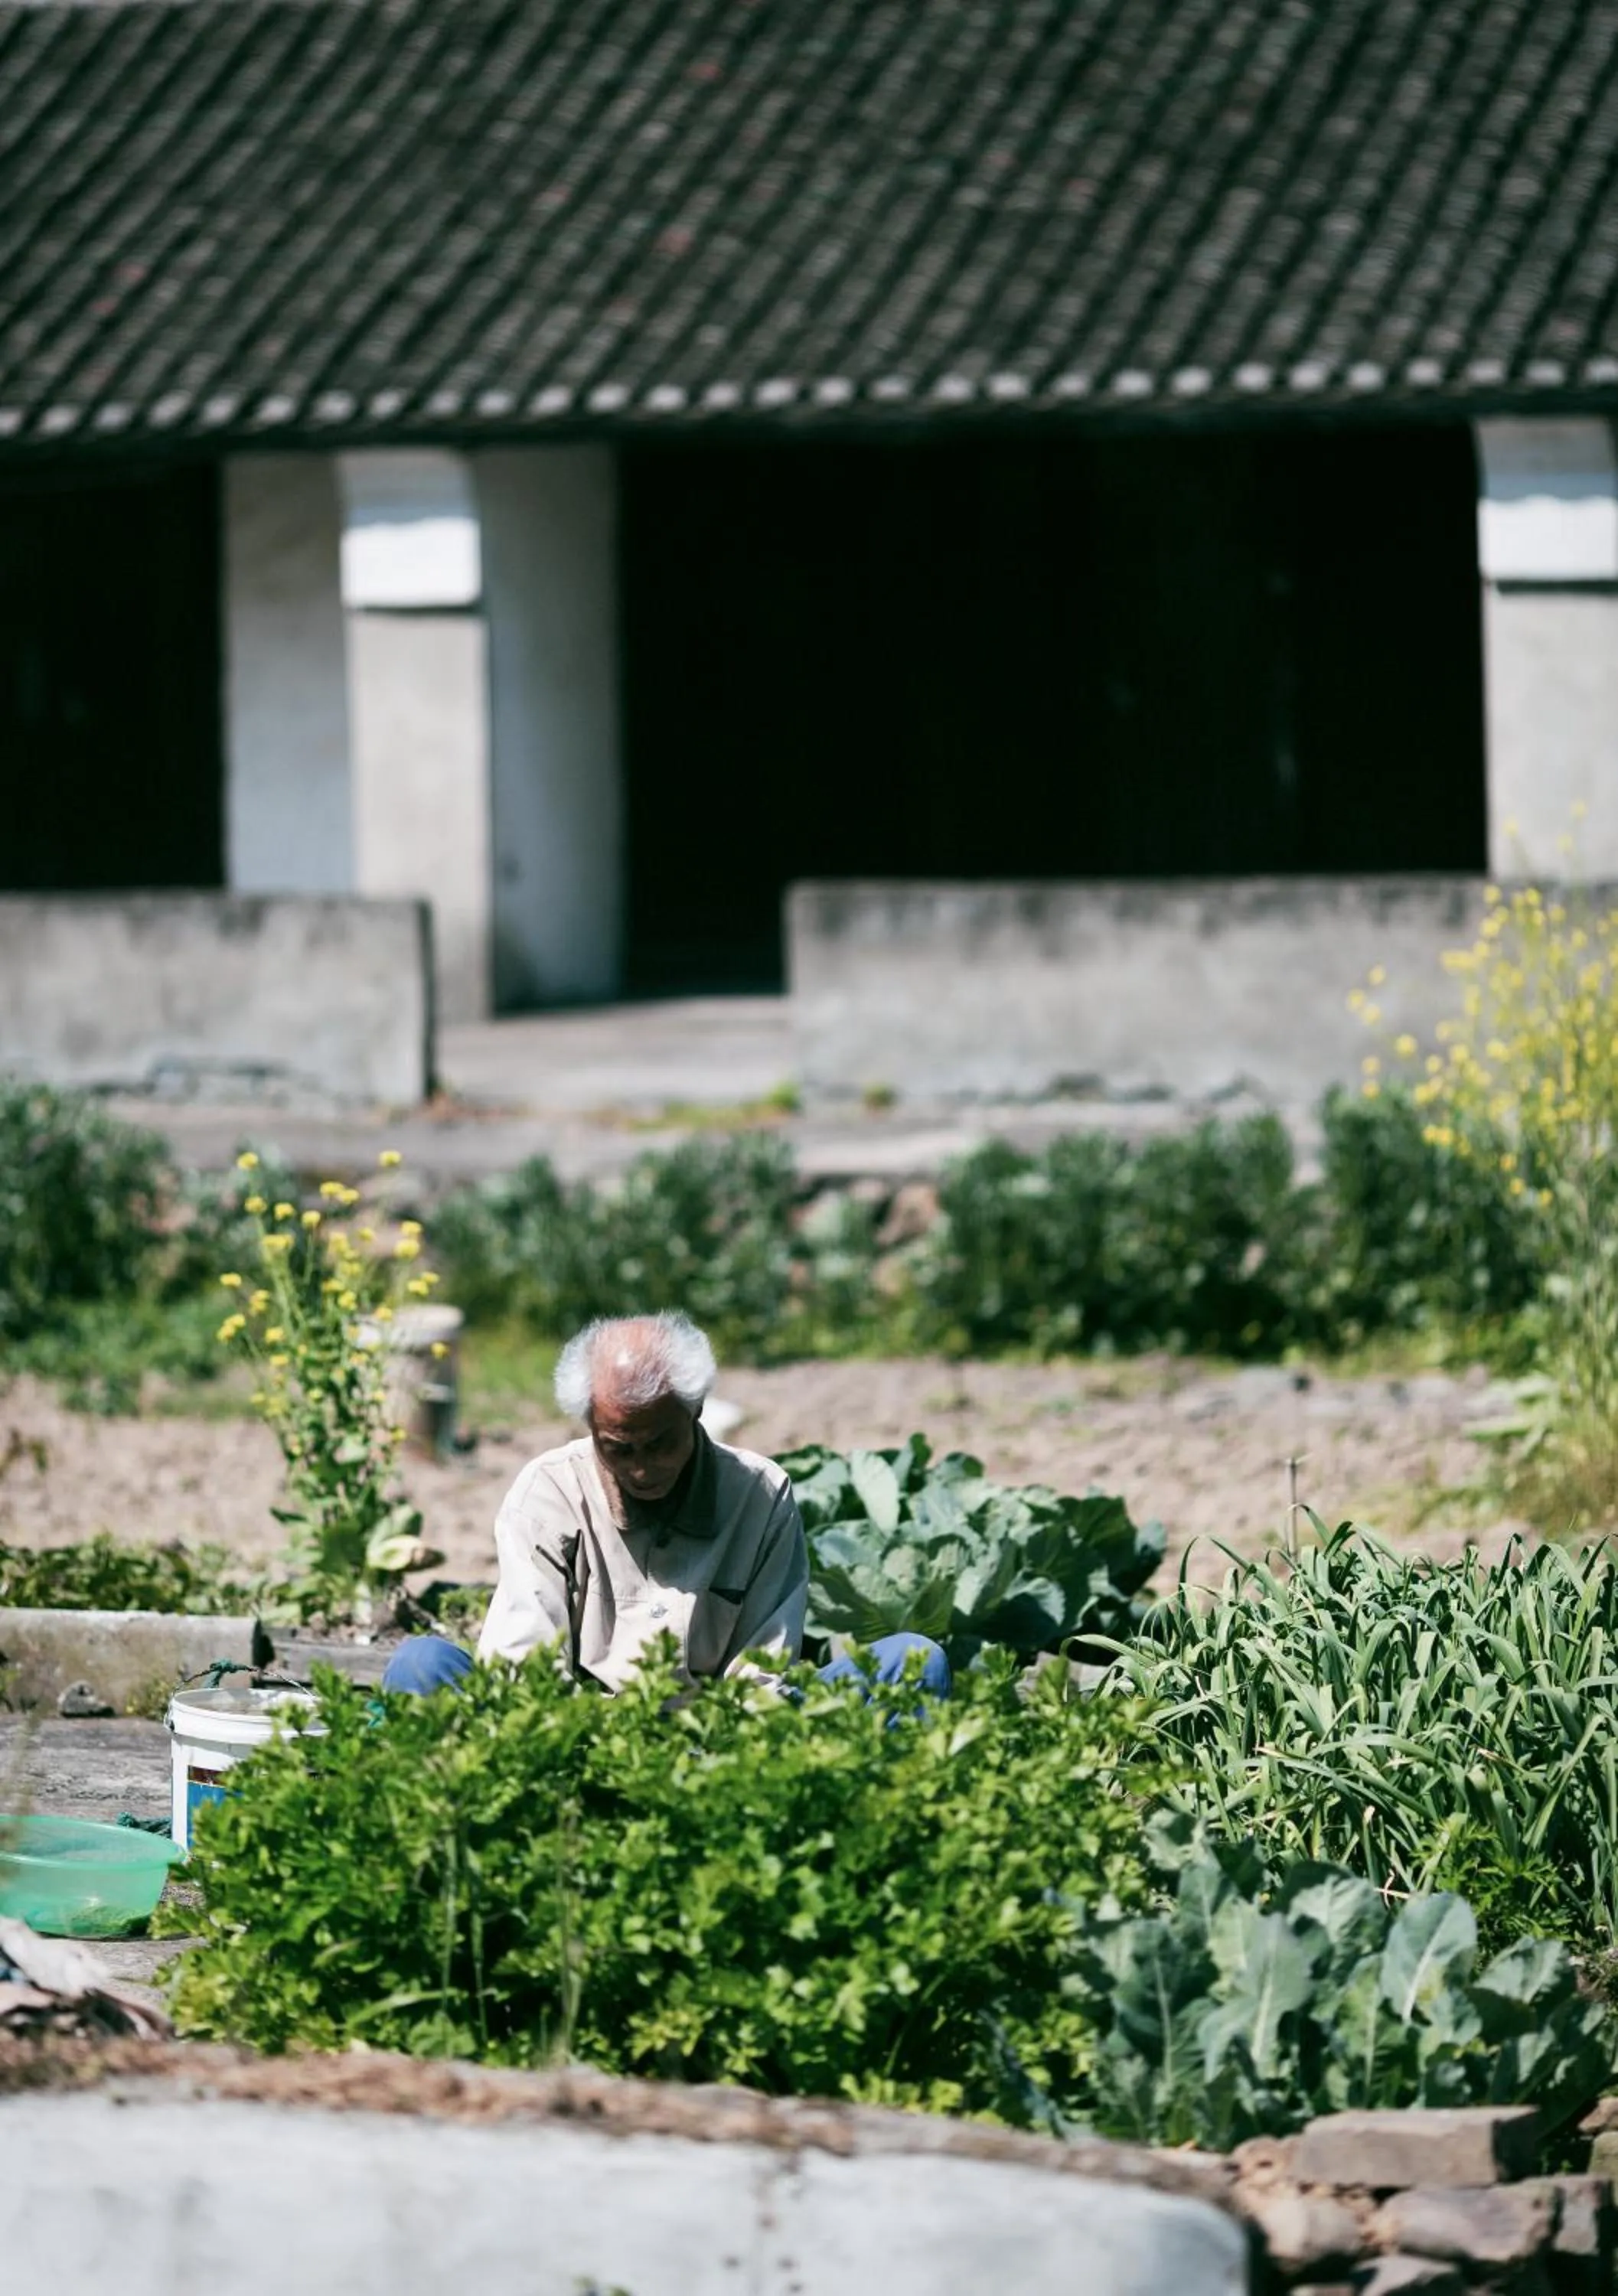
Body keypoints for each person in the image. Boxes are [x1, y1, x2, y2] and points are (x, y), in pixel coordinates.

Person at [383, 1309, 950, 1700]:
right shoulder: (548, 1492)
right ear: (590, 1426)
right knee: (422, 1667)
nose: (641, 1467)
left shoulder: (760, 1492)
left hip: (724, 1739)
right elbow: (524, 1672)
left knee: (914, 1660)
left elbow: (764, 1669)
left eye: (661, 1444)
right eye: (619, 1448)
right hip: (574, 1737)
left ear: (696, 1411)